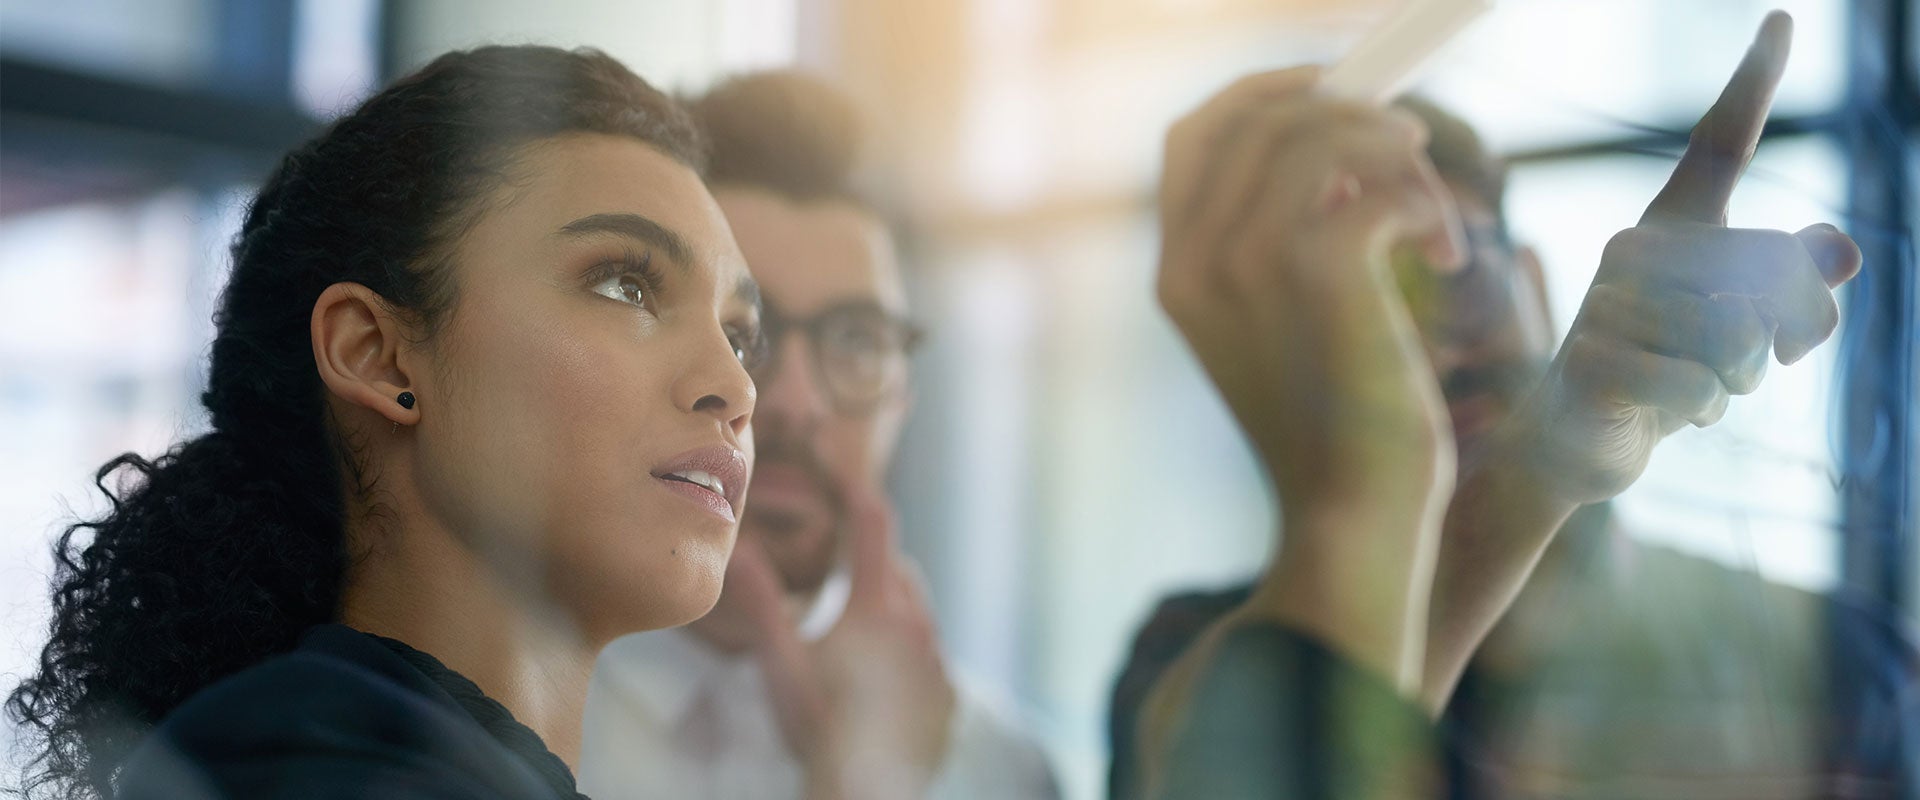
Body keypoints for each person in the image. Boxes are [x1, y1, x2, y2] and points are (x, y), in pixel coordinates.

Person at [1127, 11, 1876, 798]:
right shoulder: (1199, 664)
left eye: (1454, 284)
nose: (1428, 361)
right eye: (1369, 330)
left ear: (1538, 285)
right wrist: (1494, 485)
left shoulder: (1846, 676)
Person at [5, 46, 768, 799]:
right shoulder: (310, 772)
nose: (734, 385)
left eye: (737, 335)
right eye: (625, 286)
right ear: (377, 355)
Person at [580, 71, 1059, 800]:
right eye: (744, 330)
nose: (796, 404)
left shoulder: (1000, 773)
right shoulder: (502, 738)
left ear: (906, 397)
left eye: (859, 341)